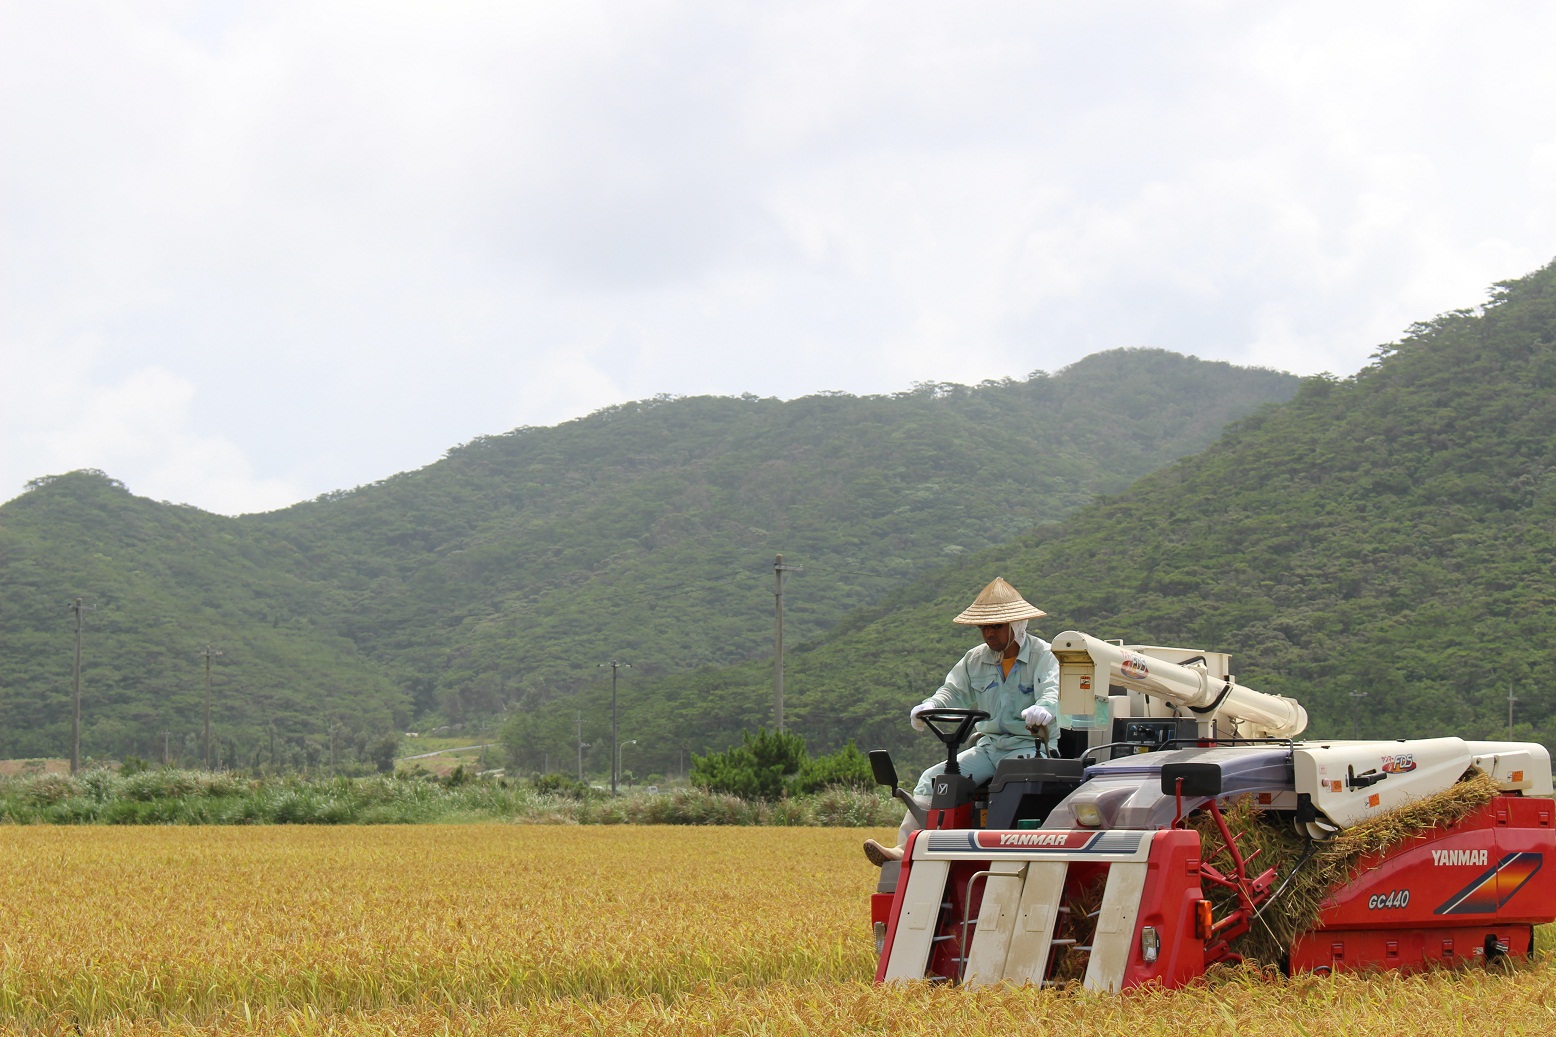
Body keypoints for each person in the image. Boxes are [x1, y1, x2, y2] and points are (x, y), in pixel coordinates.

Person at [863, 577, 1059, 866]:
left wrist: (1043, 708)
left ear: (1017, 626)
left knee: (1010, 782)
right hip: (991, 747)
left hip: (1031, 747)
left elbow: (1053, 691)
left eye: (996, 626)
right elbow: (952, 691)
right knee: (933, 779)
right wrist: (929, 706)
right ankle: (905, 850)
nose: (988, 633)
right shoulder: (975, 659)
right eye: (984, 627)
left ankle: (1006, 851)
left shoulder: (1045, 656)